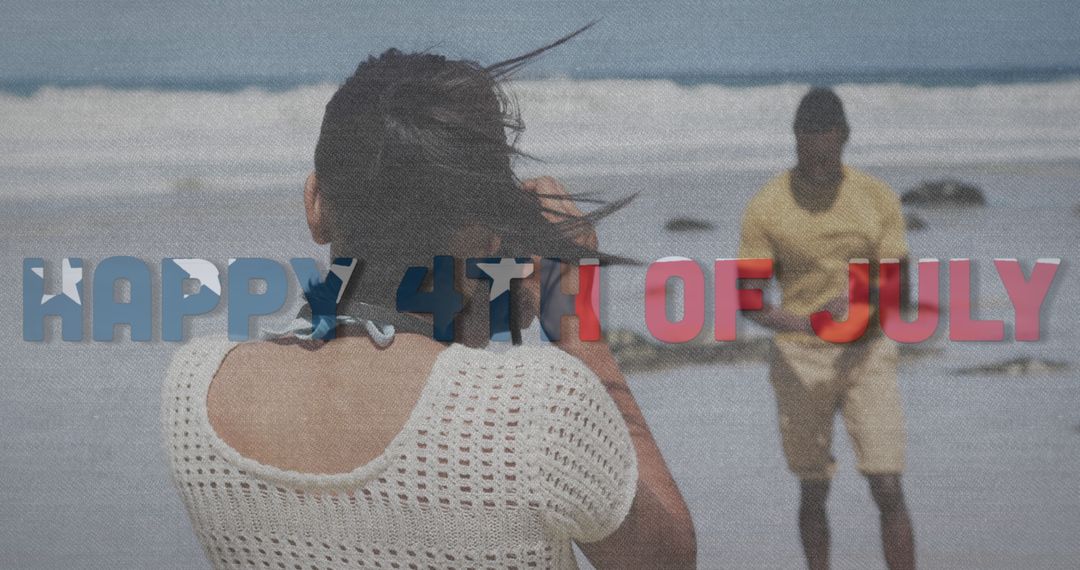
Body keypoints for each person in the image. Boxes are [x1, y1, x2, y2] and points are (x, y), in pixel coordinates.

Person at [162, 29, 696, 570]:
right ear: (487, 234)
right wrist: (571, 314)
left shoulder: (195, 390)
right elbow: (668, 560)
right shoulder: (539, 406)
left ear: (315, 205)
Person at [737, 87, 916, 570]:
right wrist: (808, 322)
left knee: (887, 484)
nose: (817, 166)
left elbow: (900, 289)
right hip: (799, 356)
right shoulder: (767, 206)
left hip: (867, 350)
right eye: (807, 154)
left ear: (845, 139)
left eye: (827, 155)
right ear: (794, 140)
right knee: (813, 488)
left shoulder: (876, 198)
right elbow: (749, 302)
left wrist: (862, 300)